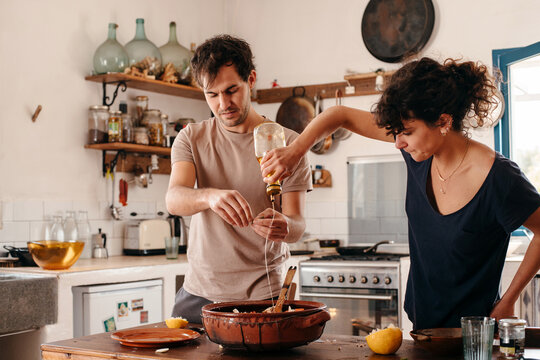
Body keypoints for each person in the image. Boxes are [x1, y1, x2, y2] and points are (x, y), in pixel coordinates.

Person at [260, 57, 540, 330]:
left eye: (405, 132)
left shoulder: (499, 177)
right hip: (423, 327)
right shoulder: (418, 150)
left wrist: (509, 300)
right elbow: (340, 115)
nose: (397, 143)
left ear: (443, 122)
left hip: (475, 333)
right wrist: (295, 152)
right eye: (394, 132)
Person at [166, 34, 312, 323]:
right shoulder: (191, 137)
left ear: (251, 79)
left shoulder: (289, 145)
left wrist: (285, 226)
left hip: (262, 296)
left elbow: (297, 226)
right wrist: (209, 196)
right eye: (212, 94)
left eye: (232, 90)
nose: (223, 103)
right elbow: (174, 199)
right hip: (197, 293)